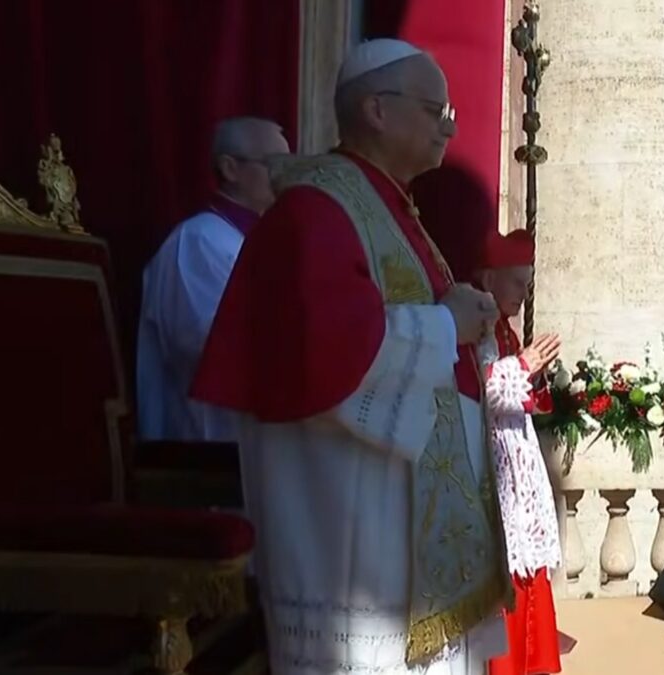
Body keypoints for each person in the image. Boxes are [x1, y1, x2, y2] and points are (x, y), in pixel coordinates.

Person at [189, 40, 509, 674]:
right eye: (433, 108)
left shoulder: (382, 204)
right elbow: (332, 351)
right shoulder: (318, 211)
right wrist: (447, 324)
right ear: (377, 111)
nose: (449, 124)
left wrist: (458, 319)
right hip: (348, 509)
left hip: (389, 497)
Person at [136, 116, 290, 441]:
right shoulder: (199, 241)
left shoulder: (263, 240)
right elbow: (208, 345)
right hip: (208, 444)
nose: (285, 178)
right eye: (275, 165)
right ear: (230, 169)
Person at [473, 230, 563, 675]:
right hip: (490, 465)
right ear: (489, 277)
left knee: (530, 564)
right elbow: (478, 390)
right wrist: (524, 366)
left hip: (517, 457)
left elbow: (522, 400)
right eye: (517, 284)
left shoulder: (503, 330)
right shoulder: (474, 326)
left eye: (527, 286)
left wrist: (537, 375)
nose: (524, 296)